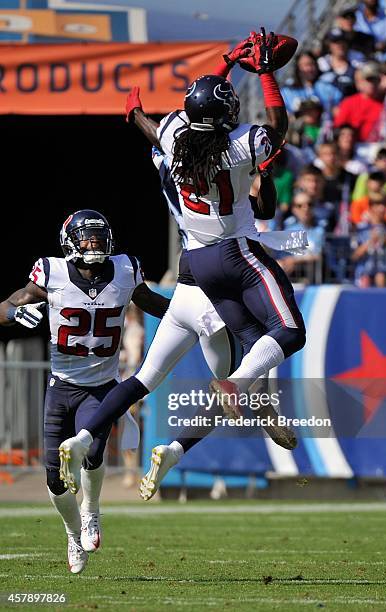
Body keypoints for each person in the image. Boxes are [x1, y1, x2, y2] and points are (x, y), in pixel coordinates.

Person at [57, 33, 303, 500]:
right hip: (231, 254)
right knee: (283, 334)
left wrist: (139, 113)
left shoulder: (170, 140)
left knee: (150, 375)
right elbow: (277, 125)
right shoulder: (238, 145)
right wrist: (265, 73)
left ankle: (88, 434)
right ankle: (245, 405)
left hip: (193, 265)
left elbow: (167, 123)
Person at [0, 210, 170, 574]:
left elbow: (152, 303)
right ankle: (73, 535)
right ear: (70, 242)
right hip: (61, 386)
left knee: (92, 453)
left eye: (98, 237)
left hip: (102, 385)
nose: (93, 243)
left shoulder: (126, 270)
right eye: (86, 237)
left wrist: (188, 314)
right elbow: (7, 305)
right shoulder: (51, 272)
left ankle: (91, 511)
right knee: (54, 475)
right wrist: (15, 314)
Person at [351, 192, 386, 286]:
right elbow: (354, 256)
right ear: (371, 208)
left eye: (384, 204)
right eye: (378, 204)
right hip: (365, 271)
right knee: (365, 280)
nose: (382, 208)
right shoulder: (360, 230)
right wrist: (370, 241)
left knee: (381, 276)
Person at [334, 61, 386, 142]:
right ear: (361, 82)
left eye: (375, 80)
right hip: (355, 147)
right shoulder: (349, 103)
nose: (371, 83)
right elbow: (339, 129)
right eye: (368, 80)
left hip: (378, 147)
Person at [281, 51, 343, 116]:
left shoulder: (326, 85)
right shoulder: (288, 90)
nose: (309, 69)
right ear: (297, 68)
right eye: (305, 65)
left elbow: (339, 105)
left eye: (312, 64)